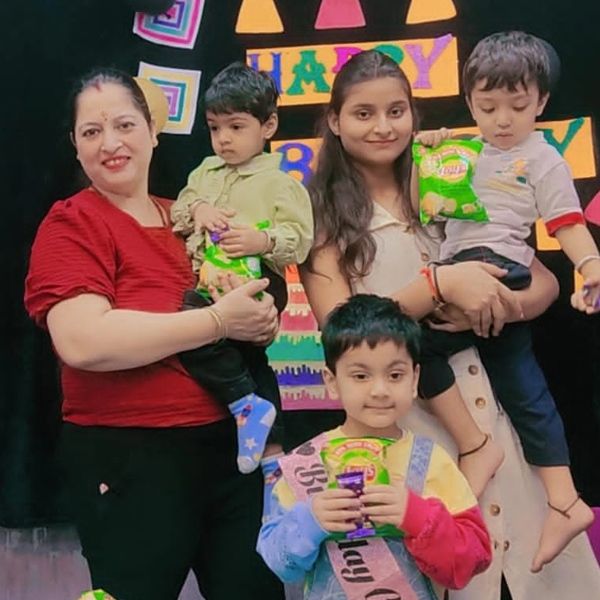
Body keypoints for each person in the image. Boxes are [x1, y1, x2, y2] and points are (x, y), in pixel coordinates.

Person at [297, 49, 600, 599]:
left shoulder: (452, 173)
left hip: (503, 409)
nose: (383, 127)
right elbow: (342, 333)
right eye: (363, 113)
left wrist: (501, 303)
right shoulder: (319, 218)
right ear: (335, 122)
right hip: (417, 428)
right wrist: (438, 287)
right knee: (456, 577)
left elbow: (544, 283)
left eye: (396, 111)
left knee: (543, 577)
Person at [24, 68, 285, 600]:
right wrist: (217, 321)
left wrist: (258, 318)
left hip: (232, 453)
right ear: (75, 145)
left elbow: (243, 297)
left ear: (152, 131)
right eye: (91, 131)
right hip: (130, 458)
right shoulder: (72, 223)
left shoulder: (189, 220)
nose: (110, 143)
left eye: (124, 124)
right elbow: (84, 342)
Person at [410, 30, 597, 570]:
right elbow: (425, 210)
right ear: (470, 103)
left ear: (541, 101)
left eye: (517, 105)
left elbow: (567, 222)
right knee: (515, 383)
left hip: (501, 268)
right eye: (488, 107)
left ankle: (493, 458)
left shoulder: (543, 159)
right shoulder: (463, 151)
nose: (503, 120)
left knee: (424, 349)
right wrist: (427, 157)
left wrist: (591, 266)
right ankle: (560, 498)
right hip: (452, 269)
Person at [258, 294, 492, 599]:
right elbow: (277, 562)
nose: (380, 390)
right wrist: (311, 520)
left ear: (414, 379)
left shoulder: (431, 461)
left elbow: (473, 560)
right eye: (360, 376)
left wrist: (417, 516)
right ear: (332, 381)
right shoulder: (305, 463)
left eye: (395, 375)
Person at [171, 62, 313, 479]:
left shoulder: (281, 183)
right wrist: (199, 208)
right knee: (242, 358)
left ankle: (244, 406)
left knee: (196, 325)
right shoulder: (204, 172)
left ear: (268, 126)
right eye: (215, 128)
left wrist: (261, 240)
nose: (224, 139)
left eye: (236, 127)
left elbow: (301, 241)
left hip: (259, 279)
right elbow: (179, 210)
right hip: (213, 276)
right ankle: (270, 452)